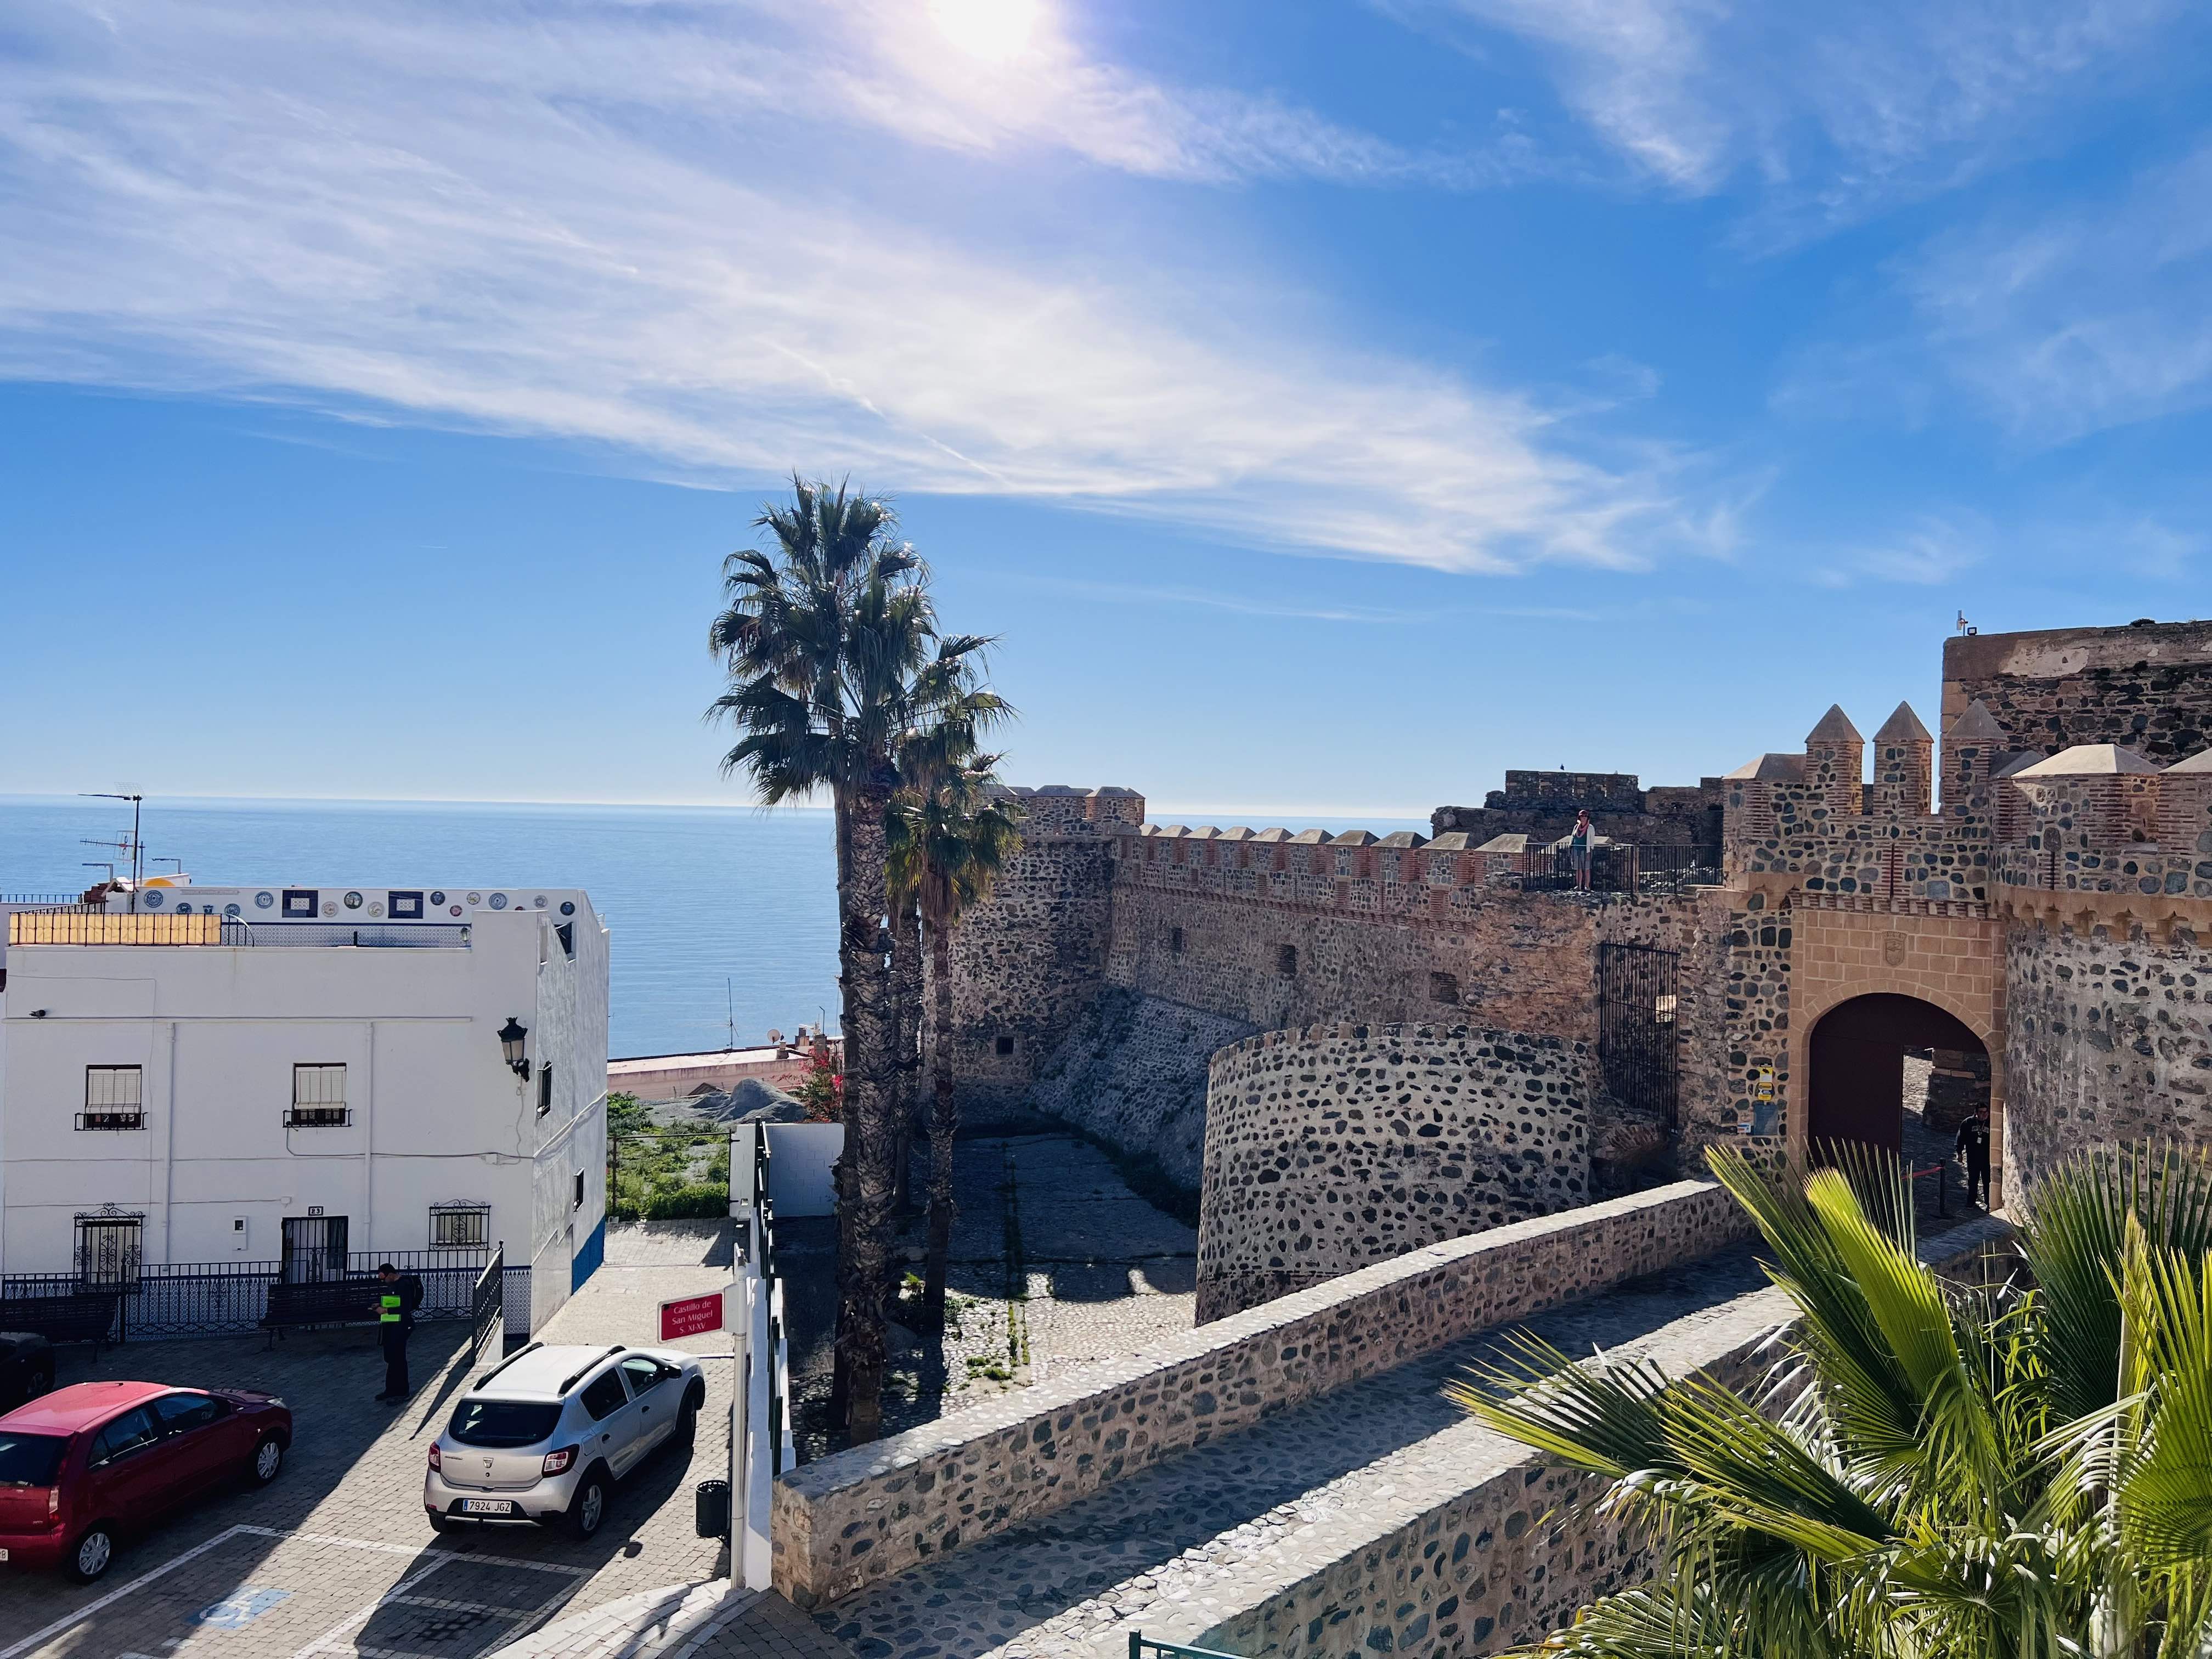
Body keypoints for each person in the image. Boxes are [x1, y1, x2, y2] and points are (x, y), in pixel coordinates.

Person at [374, 1263, 418, 1402]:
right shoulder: (392, 1285)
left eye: (384, 1278)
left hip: (401, 1326)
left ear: (391, 1274)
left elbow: (405, 1308)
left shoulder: (404, 1285)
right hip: (391, 1325)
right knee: (391, 1358)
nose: (383, 1281)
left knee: (399, 1358)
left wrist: (385, 1310)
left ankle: (402, 1391)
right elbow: (393, 1302)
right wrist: (380, 1306)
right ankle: (391, 1389)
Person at [1955, 1104, 1992, 1210]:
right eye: (1981, 1112)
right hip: (1973, 1156)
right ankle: (1971, 1200)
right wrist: (1959, 1152)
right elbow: (1960, 1138)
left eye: (1986, 1112)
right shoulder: (1968, 1123)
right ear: (1976, 1113)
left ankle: (1989, 1202)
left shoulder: (1991, 1123)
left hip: (1987, 1157)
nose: (1984, 1115)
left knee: (1987, 1180)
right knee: (1973, 1180)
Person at [1567, 810, 1594, 892]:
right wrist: (1570, 847)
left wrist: (1590, 851)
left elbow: (1592, 840)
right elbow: (1573, 837)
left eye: (1586, 816)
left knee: (1587, 869)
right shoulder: (1576, 827)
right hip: (1576, 850)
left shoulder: (1590, 828)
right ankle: (1578, 886)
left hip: (1586, 851)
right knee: (1578, 869)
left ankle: (1587, 886)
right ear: (1580, 817)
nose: (1584, 818)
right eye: (1582, 816)